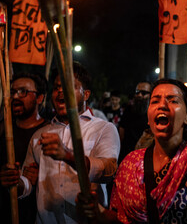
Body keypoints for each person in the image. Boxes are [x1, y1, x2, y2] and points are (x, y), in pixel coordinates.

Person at [76, 58, 187, 223]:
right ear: (148, 117)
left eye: (173, 100)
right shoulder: (130, 163)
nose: (162, 105)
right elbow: (119, 218)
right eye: (155, 101)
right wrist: (97, 211)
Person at [0, 62, 120, 224]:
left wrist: (69, 156)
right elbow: (28, 184)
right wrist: (15, 182)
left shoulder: (104, 129)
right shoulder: (39, 135)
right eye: (57, 87)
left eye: (70, 86)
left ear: (86, 95)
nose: (61, 91)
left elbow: (108, 171)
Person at [0, 72, 48, 224]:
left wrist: (40, 176)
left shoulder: (50, 132)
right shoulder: (2, 129)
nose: (15, 97)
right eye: (12, 92)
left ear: (39, 98)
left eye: (23, 92)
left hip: (35, 215)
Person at [118, 81, 151, 163]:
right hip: (127, 157)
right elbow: (121, 134)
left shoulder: (153, 113)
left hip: (146, 159)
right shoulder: (128, 110)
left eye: (143, 93)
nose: (139, 95)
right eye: (137, 92)